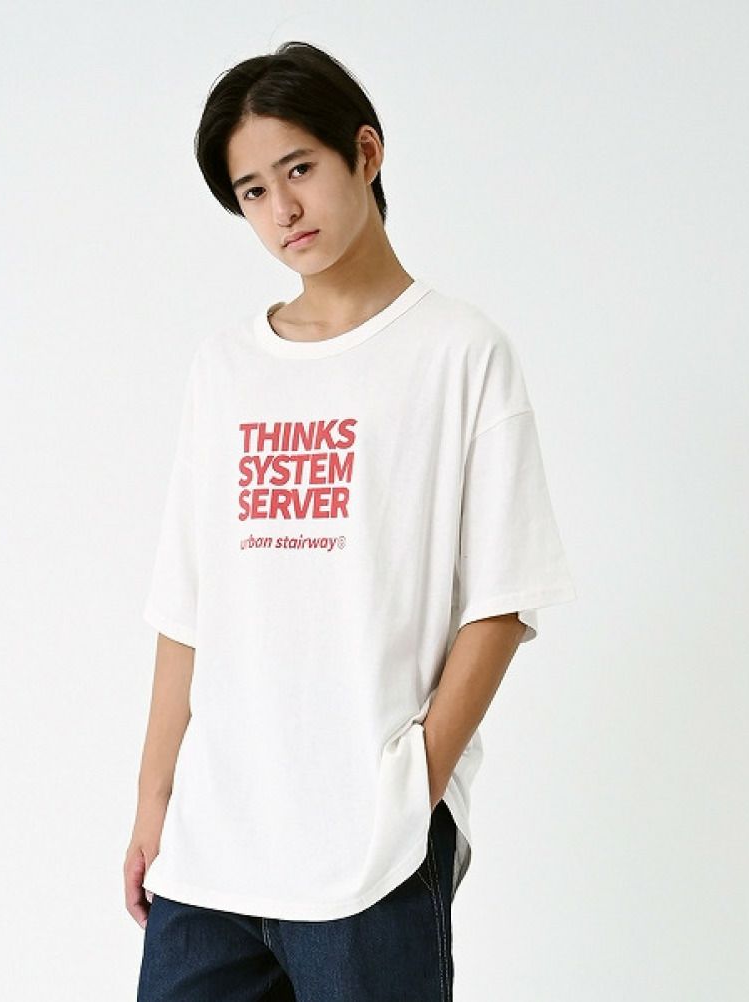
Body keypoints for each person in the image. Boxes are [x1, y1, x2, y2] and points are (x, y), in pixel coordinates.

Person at [126, 40, 577, 1001]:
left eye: (299, 170)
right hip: (213, 850)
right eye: (252, 191)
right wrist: (154, 802)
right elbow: (186, 607)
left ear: (365, 153)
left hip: (371, 852)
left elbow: (502, 600)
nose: (282, 210)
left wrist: (413, 784)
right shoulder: (225, 369)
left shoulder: (460, 353)